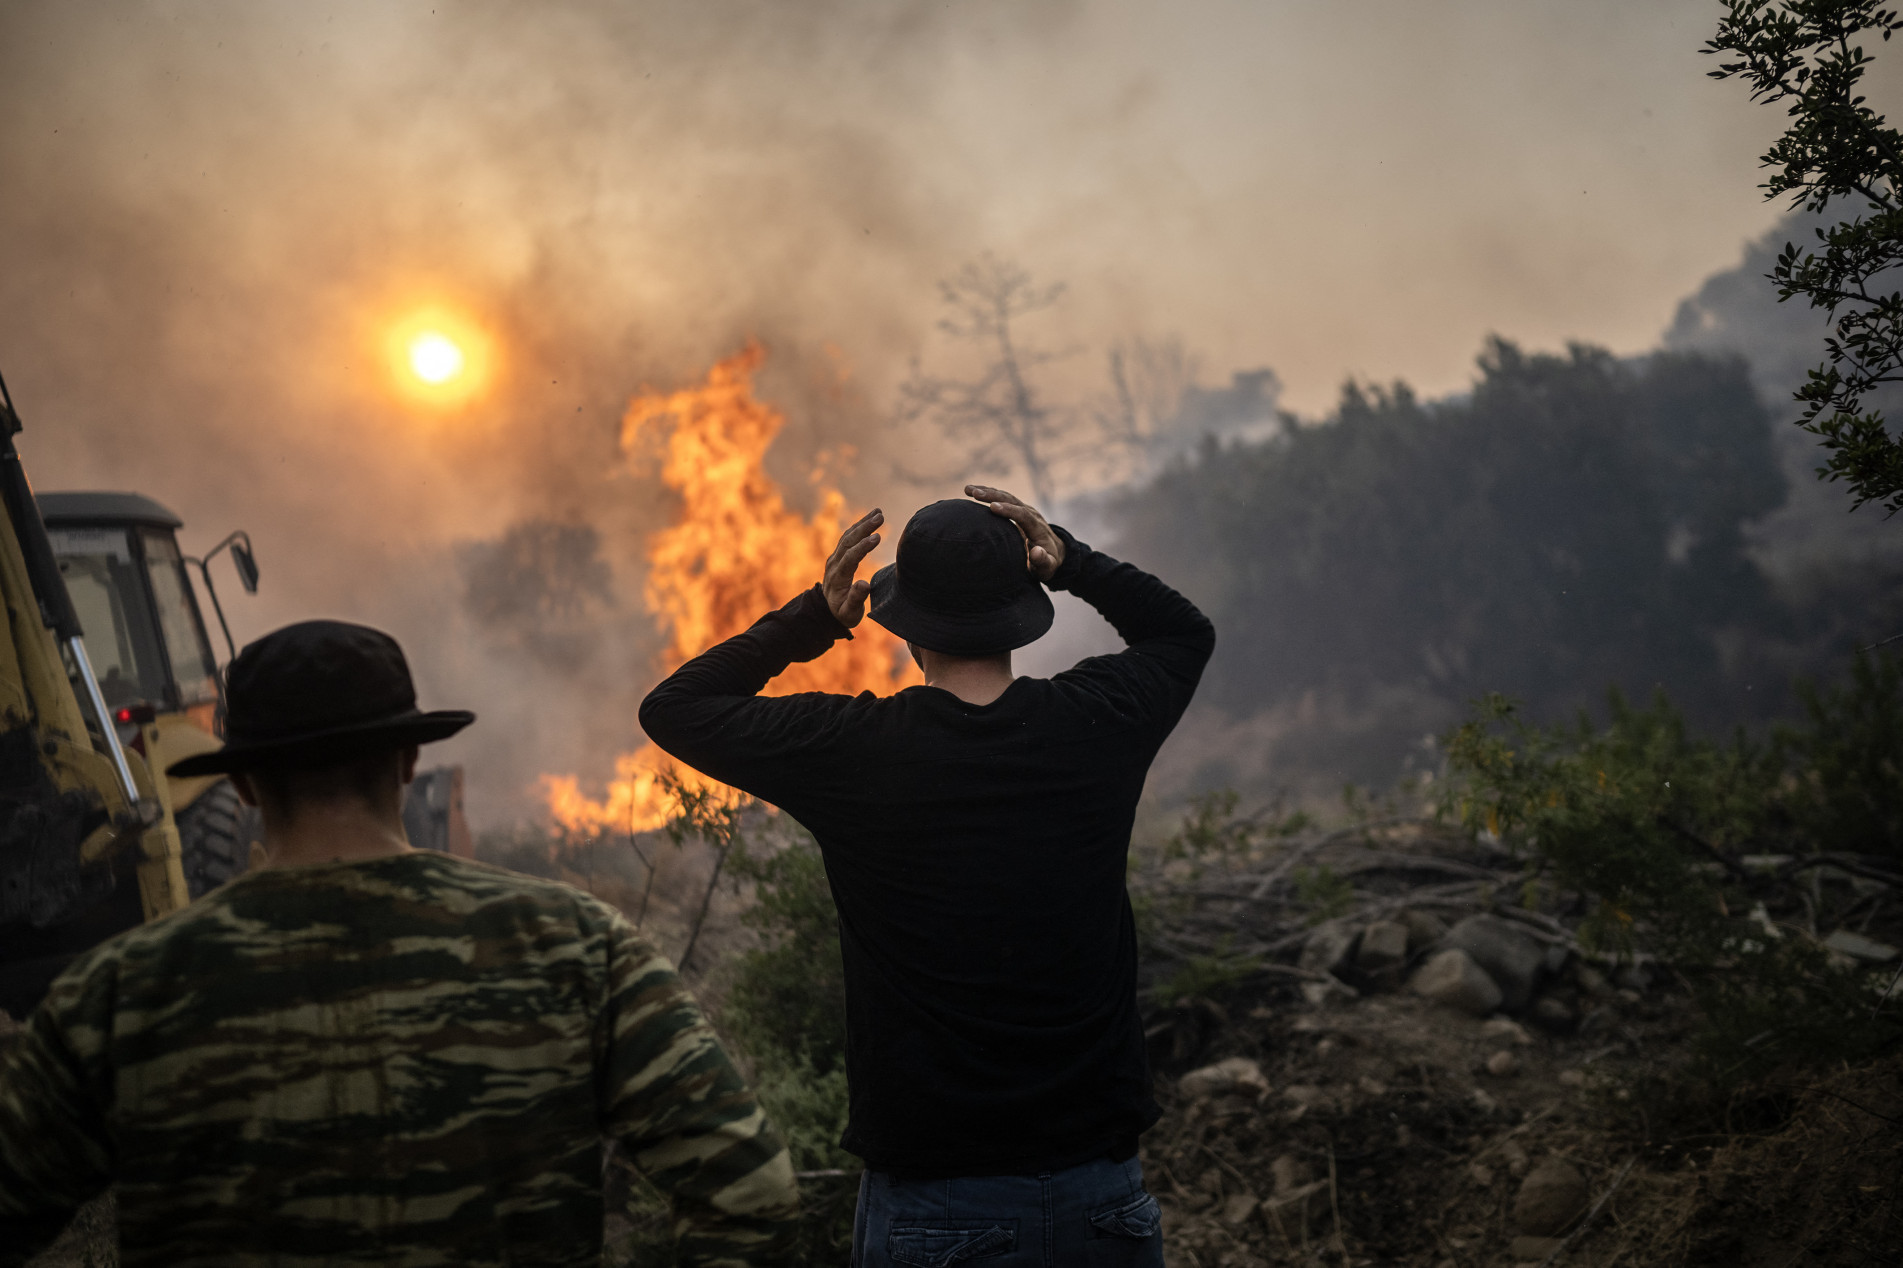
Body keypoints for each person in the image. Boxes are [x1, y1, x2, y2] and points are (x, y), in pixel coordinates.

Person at [0, 620, 799, 1267]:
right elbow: (750, 1192)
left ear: (241, 784)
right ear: (410, 760)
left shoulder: (124, 989)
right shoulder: (574, 946)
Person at [639, 484, 1215, 1267]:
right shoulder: (1097, 722)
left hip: (940, 1210)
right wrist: (1070, 561)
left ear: (903, 623)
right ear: (1020, 609)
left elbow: (675, 708)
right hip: (1103, 1204)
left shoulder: (855, 751)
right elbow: (1182, 634)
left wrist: (814, 617)